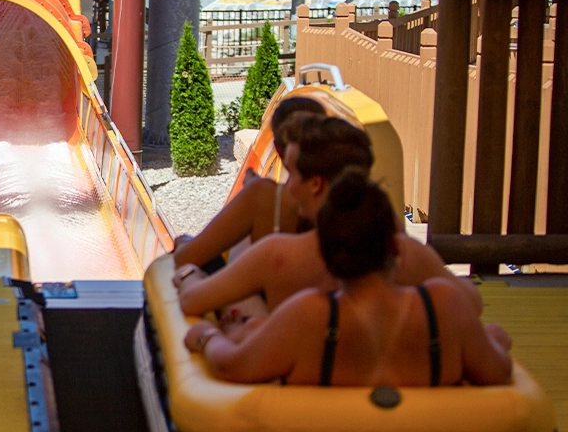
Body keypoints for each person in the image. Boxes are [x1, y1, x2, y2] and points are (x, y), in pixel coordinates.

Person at [183, 170, 513, 386]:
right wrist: (495, 340)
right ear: (395, 248)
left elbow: (231, 367)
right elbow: (498, 373)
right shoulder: (444, 305)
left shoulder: (307, 316)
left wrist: (207, 337)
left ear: (328, 255)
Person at [175, 114, 481, 319]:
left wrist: (193, 276)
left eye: (292, 173)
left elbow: (193, 298)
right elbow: (472, 304)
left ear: (316, 184)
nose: (288, 186)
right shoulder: (406, 253)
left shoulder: (279, 256)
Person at [172, 95, 326, 273]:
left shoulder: (265, 198)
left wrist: (184, 243)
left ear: (277, 148)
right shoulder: (348, 196)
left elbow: (186, 258)